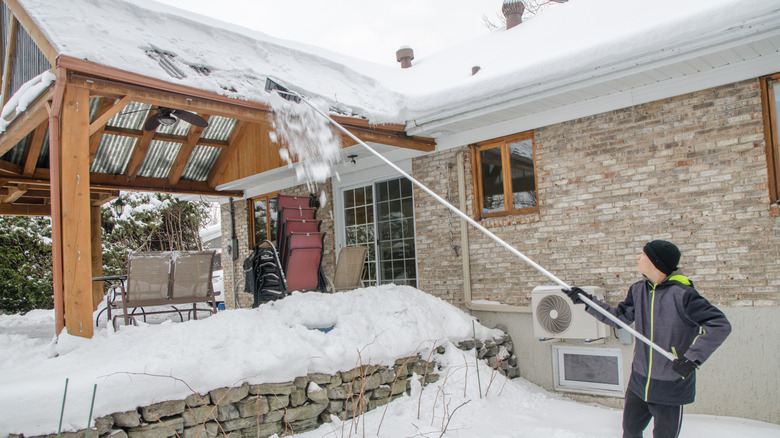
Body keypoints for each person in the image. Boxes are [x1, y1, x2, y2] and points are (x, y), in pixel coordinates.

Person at [564, 240, 731, 438]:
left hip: (670, 384)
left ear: (656, 262)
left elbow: (720, 325)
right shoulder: (638, 290)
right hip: (639, 381)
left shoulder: (684, 295)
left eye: (643, 254)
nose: (638, 257)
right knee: (630, 431)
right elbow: (619, 318)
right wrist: (587, 301)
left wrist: (692, 358)